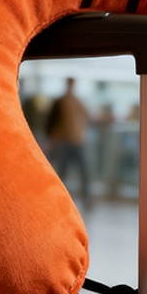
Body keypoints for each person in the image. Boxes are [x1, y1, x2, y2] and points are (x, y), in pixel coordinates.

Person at [46, 77, 91, 205]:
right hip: (64, 141)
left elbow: (86, 117)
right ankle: (58, 198)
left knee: (81, 172)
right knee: (62, 172)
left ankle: (86, 198)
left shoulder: (77, 101)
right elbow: (52, 122)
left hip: (76, 141)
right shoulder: (61, 102)